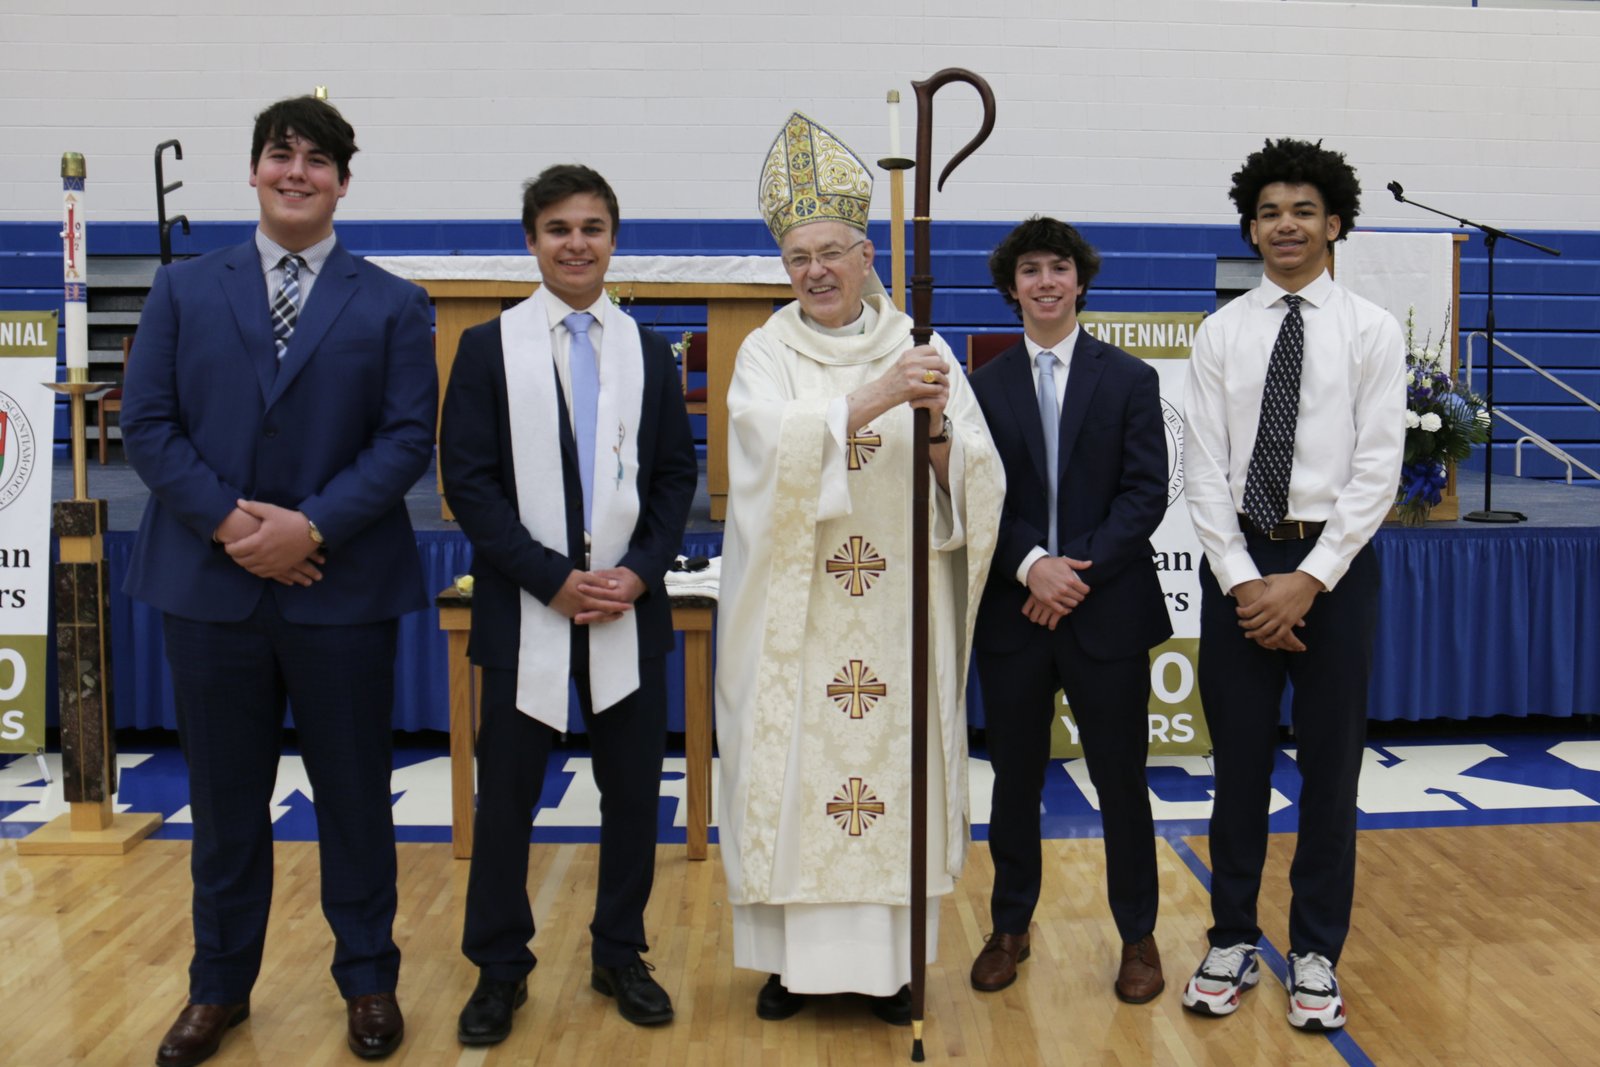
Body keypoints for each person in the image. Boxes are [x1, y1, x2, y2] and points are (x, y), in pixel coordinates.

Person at [122, 95, 436, 1066]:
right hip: (210, 586)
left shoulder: (392, 301)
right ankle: (218, 987)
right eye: (279, 155)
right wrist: (232, 523)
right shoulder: (183, 290)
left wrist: (310, 526)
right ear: (253, 171)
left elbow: (401, 441)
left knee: (353, 795)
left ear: (344, 180)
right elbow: (148, 425)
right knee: (223, 802)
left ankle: (370, 978)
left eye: (317, 160)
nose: (296, 172)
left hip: (339, 586)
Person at [715, 111, 1004, 1025]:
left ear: (868, 251)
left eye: (831, 252)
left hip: (895, 617)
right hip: (795, 618)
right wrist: (873, 399)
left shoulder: (918, 340)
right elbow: (757, 453)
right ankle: (787, 964)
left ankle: (889, 969)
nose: (814, 272)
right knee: (796, 777)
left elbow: (979, 474)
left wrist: (940, 446)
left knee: (891, 784)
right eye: (797, 258)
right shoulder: (768, 351)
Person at [439, 164, 697, 1042]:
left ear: (613, 239)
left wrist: (640, 571)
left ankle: (619, 949)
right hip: (526, 611)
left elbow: (673, 479)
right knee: (506, 800)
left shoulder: (647, 348)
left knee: (632, 796)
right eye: (558, 228)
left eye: (592, 227)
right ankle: (499, 968)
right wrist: (549, 576)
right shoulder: (487, 347)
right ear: (531, 240)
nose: (576, 243)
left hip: (629, 610)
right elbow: (468, 485)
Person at [1180, 138, 1404, 1031]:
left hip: (1334, 576)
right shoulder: (1221, 332)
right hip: (1240, 570)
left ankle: (1314, 950)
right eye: (1270, 211)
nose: (1285, 225)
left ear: (1334, 223)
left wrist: (1306, 581)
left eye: (1303, 210)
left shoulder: (1371, 330)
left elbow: (1378, 470)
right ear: (1252, 226)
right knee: (1235, 769)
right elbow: (1201, 473)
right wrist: (1245, 583)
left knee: (1331, 774)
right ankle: (1232, 935)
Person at [967, 217, 1172, 1002]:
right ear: (1011, 285)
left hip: (1105, 610)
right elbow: (978, 498)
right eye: (1030, 270)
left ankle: (1139, 936)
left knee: (1121, 780)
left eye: (1059, 268)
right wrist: (1033, 568)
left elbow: (1145, 493)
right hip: (1016, 613)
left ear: (1080, 281)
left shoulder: (1128, 378)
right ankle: (1011, 924)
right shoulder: (980, 387)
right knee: (1014, 779)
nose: (1045, 281)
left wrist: (1072, 573)